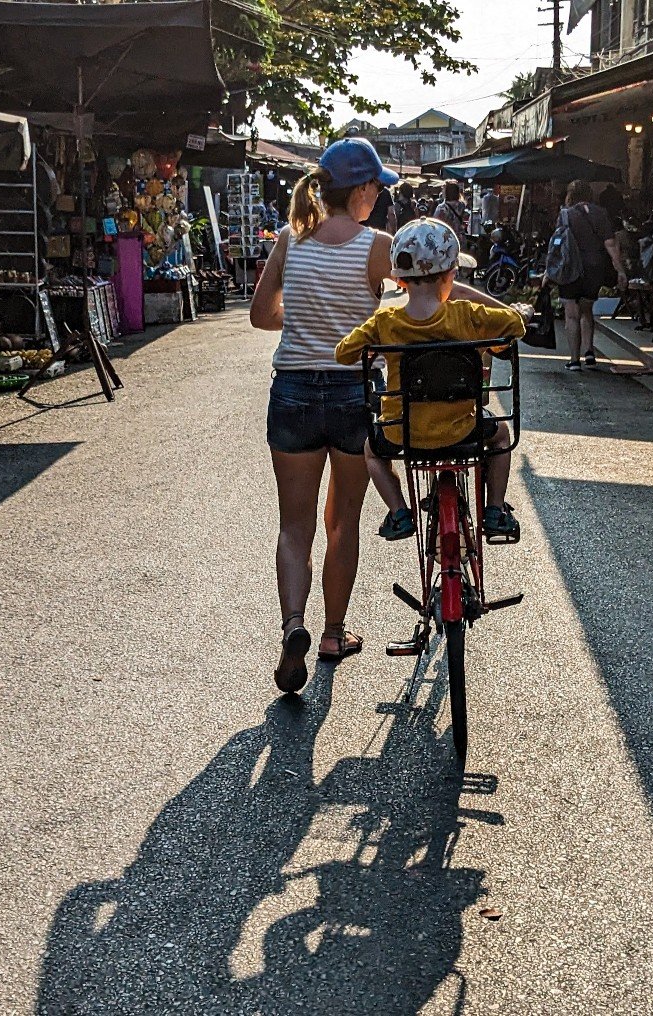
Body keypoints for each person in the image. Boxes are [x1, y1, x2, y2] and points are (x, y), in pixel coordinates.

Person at [250, 137, 398, 694]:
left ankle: (294, 626)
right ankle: (333, 633)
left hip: (291, 393)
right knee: (343, 520)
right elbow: (427, 292)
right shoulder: (376, 246)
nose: (379, 198)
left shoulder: (292, 239)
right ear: (360, 190)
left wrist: (301, 314)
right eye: (377, 189)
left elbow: (262, 315)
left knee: (295, 524)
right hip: (351, 396)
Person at [335, 218, 522, 542]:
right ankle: (493, 510)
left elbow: (343, 353)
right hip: (462, 427)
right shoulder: (466, 313)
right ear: (450, 274)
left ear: (399, 279)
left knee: (371, 450)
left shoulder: (386, 321)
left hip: (401, 432)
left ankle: (399, 512)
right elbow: (515, 324)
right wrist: (471, 295)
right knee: (501, 434)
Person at [554, 179, 625, 372]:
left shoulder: (565, 214)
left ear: (570, 196)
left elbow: (558, 244)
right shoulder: (601, 213)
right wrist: (620, 270)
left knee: (571, 314)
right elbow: (611, 244)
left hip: (570, 269)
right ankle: (590, 352)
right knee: (586, 310)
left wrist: (549, 271)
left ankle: (574, 359)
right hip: (595, 268)